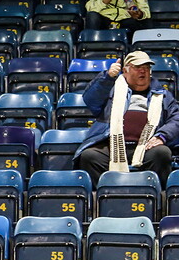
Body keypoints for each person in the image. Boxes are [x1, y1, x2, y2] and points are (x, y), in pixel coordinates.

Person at [75, 50, 179, 188]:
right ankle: (103, 196)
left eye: (146, 67)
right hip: (112, 145)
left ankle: (158, 196)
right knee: (90, 156)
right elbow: (91, 100)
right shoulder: (111, 89)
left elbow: (176, 118)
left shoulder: (162, 95)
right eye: (137, 67)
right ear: (125, 71)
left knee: (162, 153)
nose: (143, 71)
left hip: (146, 147)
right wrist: (107, 78)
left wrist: (162, 136)